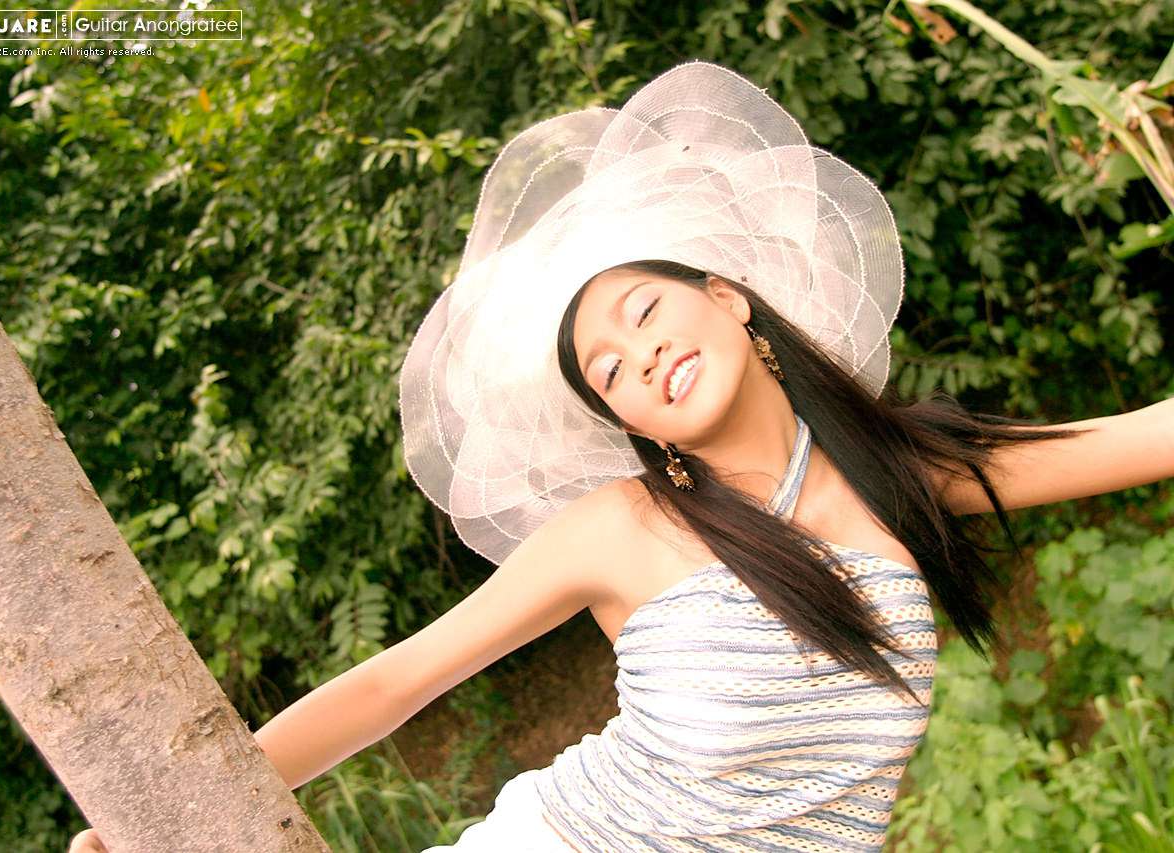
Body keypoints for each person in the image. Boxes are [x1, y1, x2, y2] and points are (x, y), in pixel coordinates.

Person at [69, 60, 1169, 853]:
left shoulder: (904, 472)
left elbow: (1146, 436)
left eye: (643, 312)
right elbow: (396, 680)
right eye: (608, 370)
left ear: (728, 297)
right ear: (632, 420)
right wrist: (158, 819)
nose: (639, 356)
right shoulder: (623, 531)